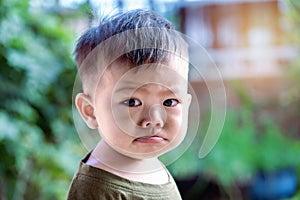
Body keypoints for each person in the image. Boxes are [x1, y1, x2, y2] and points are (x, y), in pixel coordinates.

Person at [67, 9, 191, 200]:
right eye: (133, 102)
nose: (154, 120)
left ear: (187, 104)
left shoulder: (151, 165)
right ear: (90, 111)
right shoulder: (97, 189)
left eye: (169, 101)